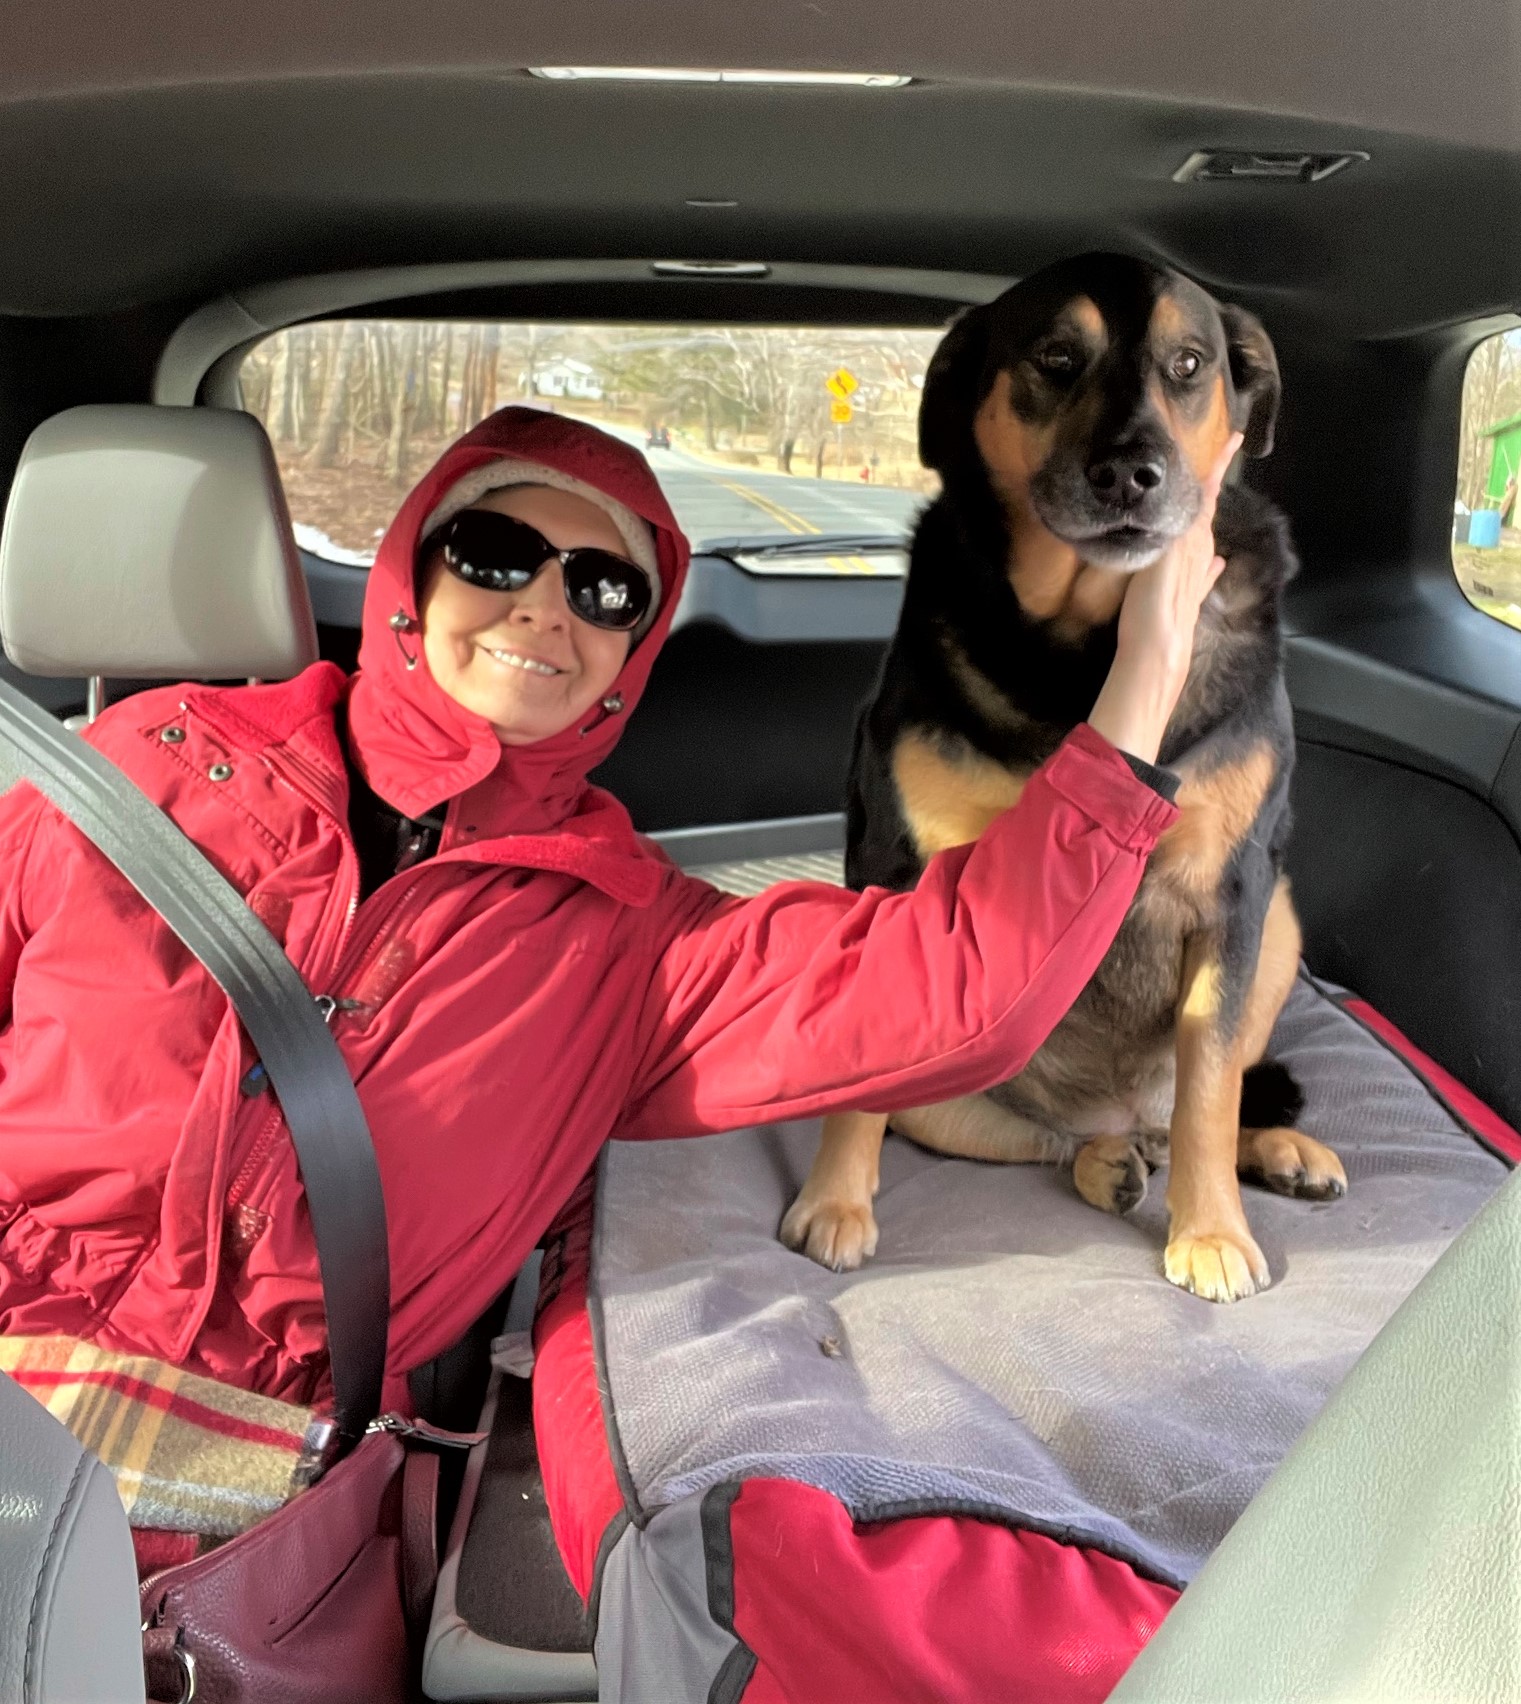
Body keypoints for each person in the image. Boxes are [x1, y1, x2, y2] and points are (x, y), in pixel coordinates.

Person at [0, 407, 1233, 1410]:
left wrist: (1147, 674)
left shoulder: (633, 945)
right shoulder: (131, 771)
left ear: (634, 651)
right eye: (494, 555)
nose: (547, 605)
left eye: (605, 589)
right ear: (407, 572)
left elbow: (969, 984)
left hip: (253, 1475)